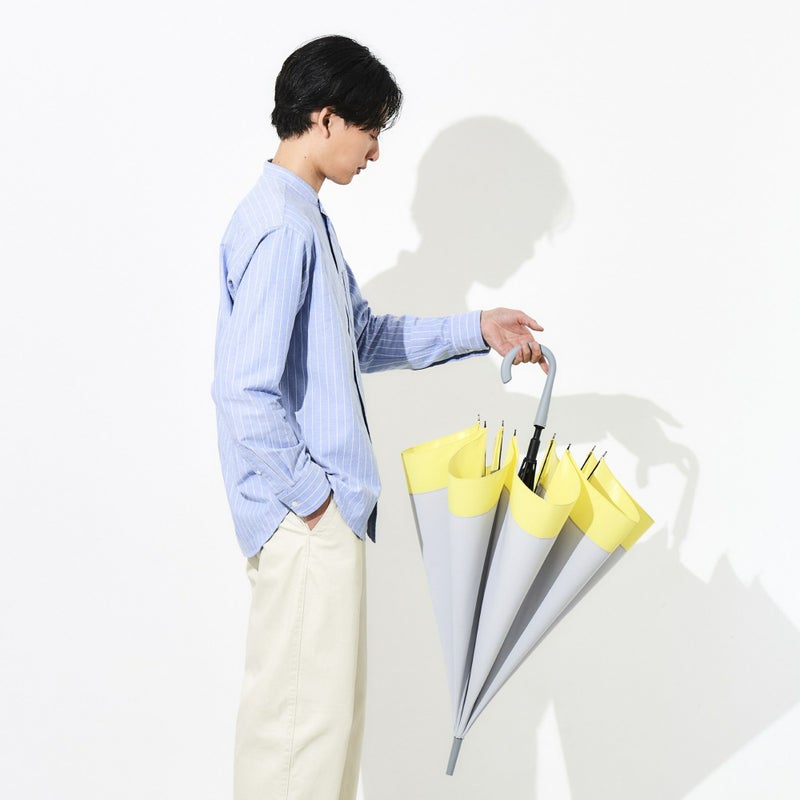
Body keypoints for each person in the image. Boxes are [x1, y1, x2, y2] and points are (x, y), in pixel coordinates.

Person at [211, 34, 545, 800]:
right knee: (297, 745)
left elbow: (360, 336)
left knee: (322, 740)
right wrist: (314, 500)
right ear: (325, 118)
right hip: (306, 525)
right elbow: (242, 392)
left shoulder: (304, 220)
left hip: (318, 524)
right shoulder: (282, 227)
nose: (375, 151)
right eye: (370, 129)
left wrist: (478, 328)